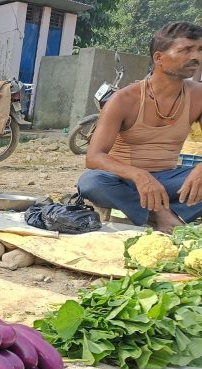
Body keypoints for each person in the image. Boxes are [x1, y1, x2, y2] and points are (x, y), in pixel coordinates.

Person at [78, 22, 202, 232]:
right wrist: (139, 175)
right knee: (91, 183)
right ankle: (161, 215)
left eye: (199, 50)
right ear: (159, 58)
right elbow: (94, 157)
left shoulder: (198, 96)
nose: (196, 56)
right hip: (124, 181)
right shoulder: (124, 99)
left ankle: (166, 215)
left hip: (168, 181)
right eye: (185, 50)